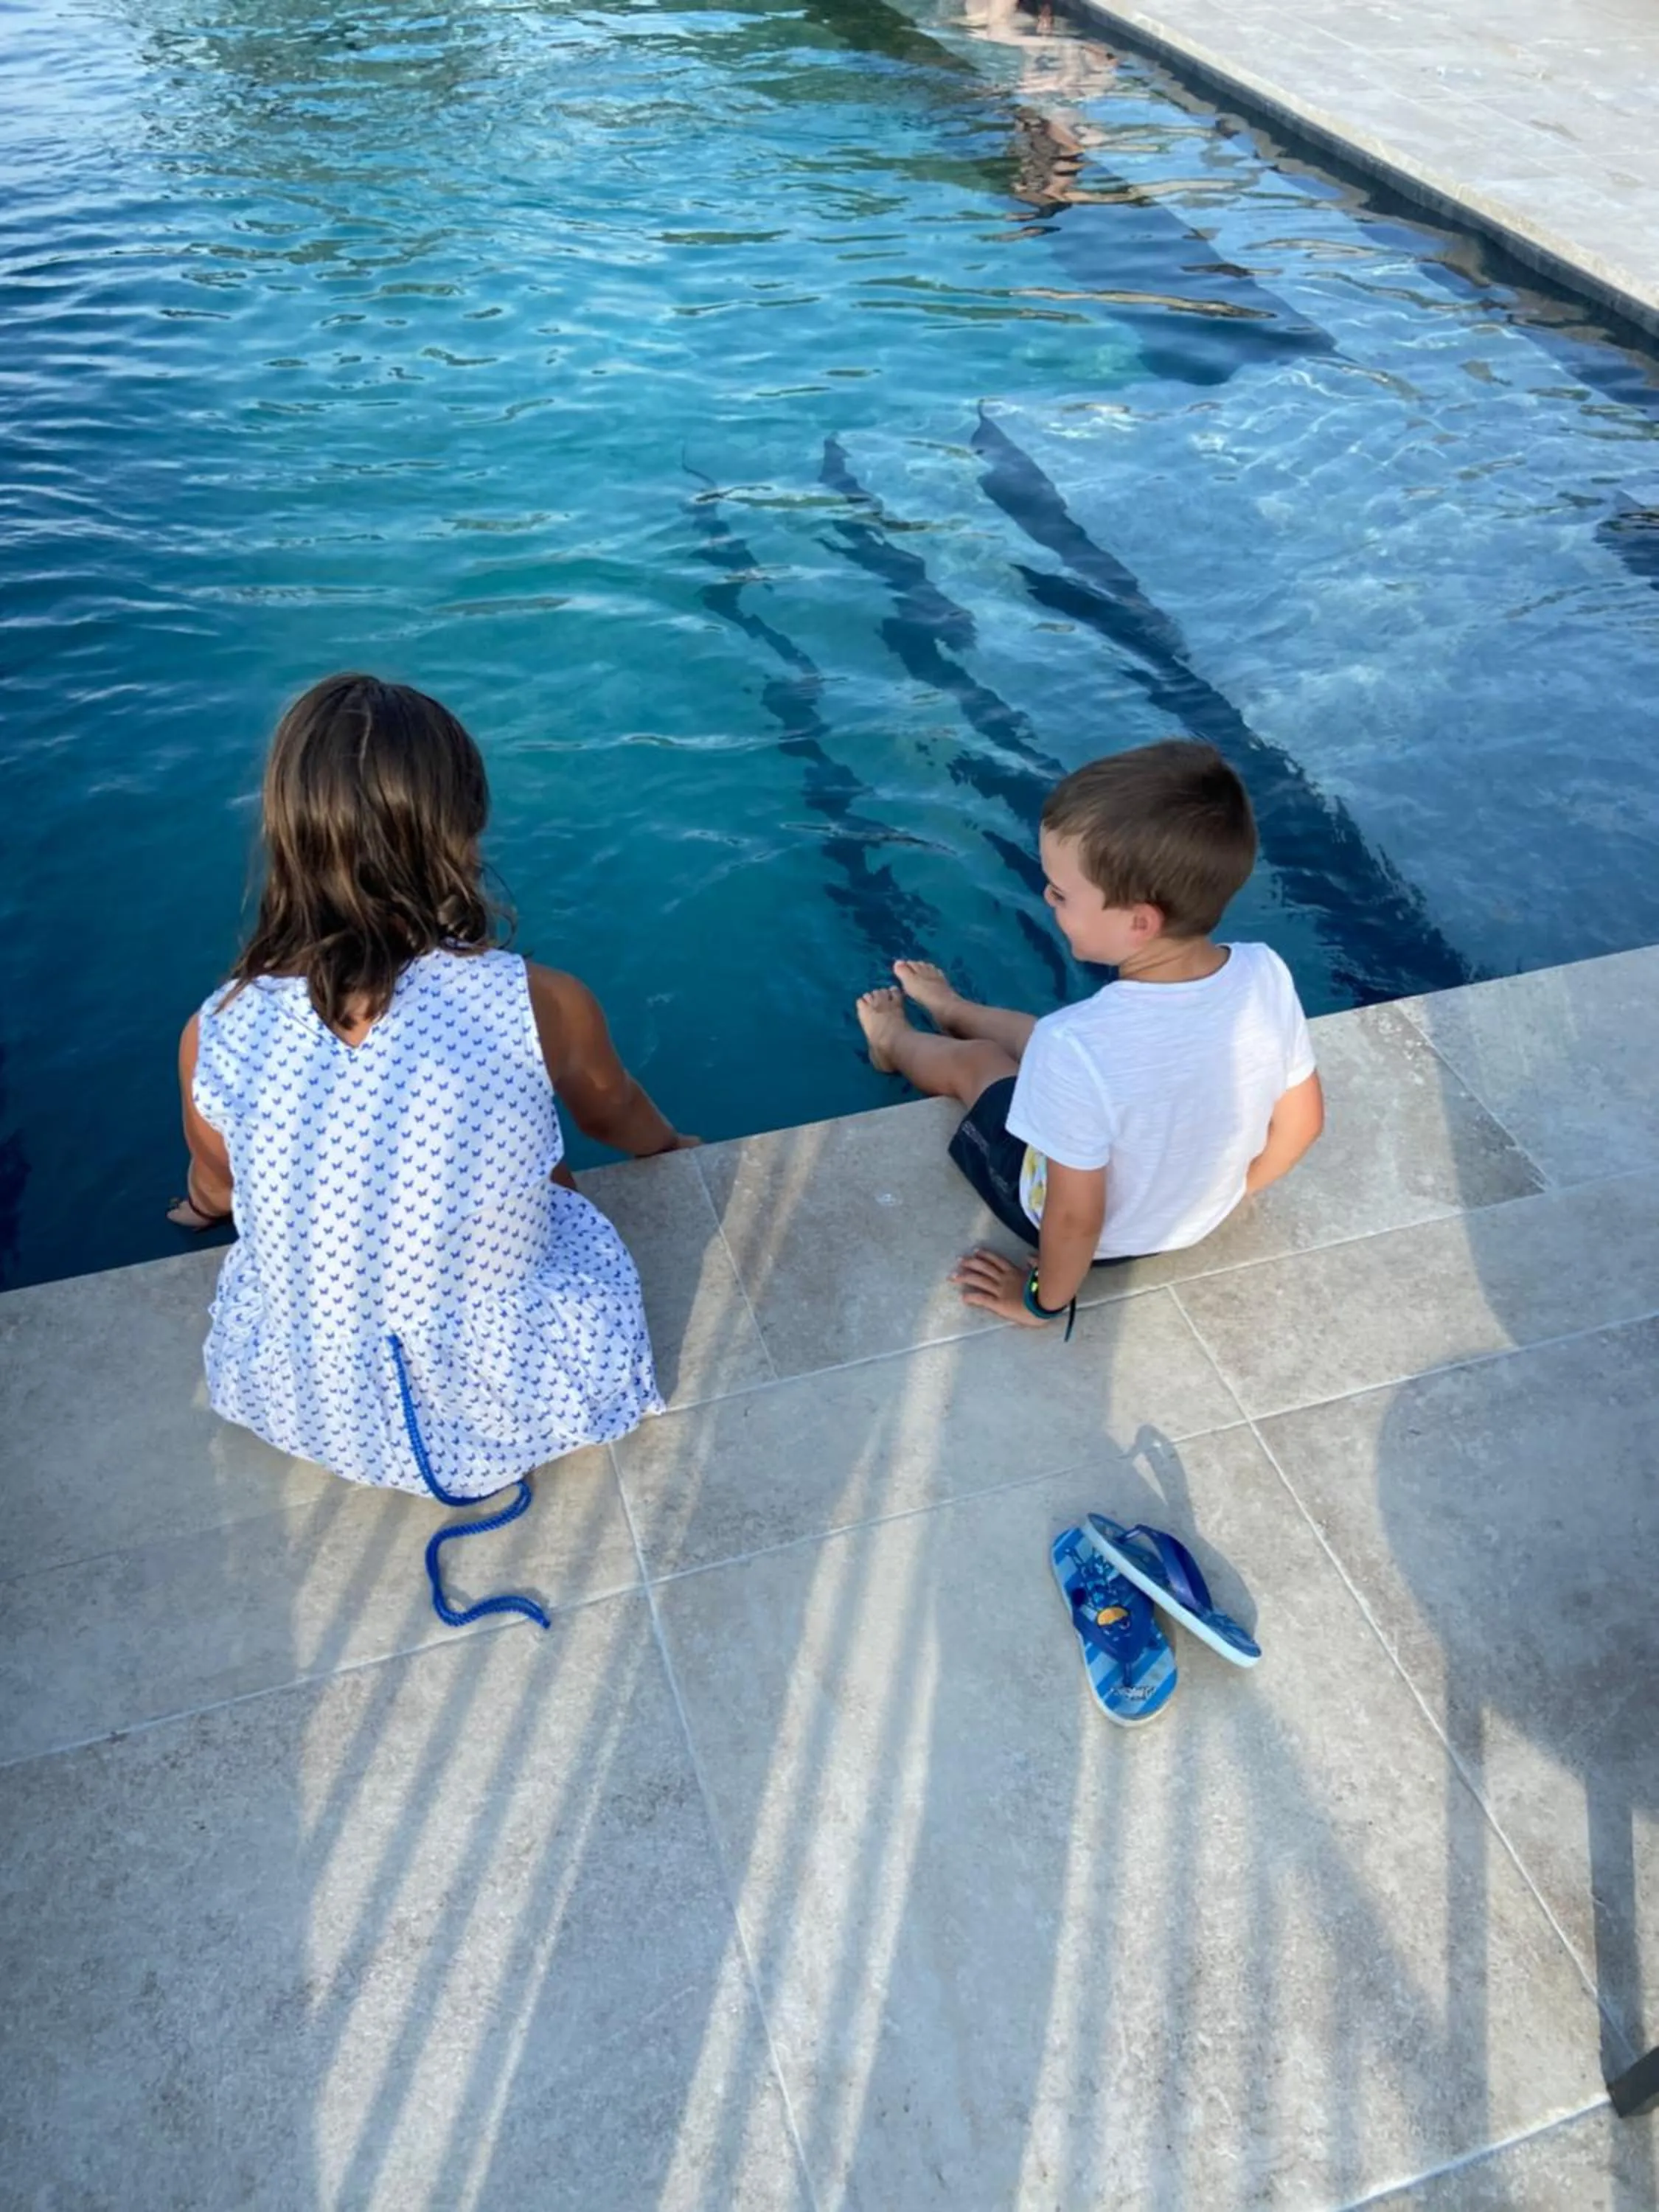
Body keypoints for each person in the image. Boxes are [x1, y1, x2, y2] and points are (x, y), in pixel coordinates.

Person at [169, 672, 695, 1500]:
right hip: (518, 1398)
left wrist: (201, 1205)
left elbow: (222, 1179)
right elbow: (614, 1111)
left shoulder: (218, 1029)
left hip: (308, 1402)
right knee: (547, 1170)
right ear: (462, 832)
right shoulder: (540, 1001)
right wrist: (667, 1146)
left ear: (286, 836)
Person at [855, 739, 1324, 1330]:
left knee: (979, 1065)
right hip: (1199, 1217)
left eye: (1060, 893)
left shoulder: (1076, 1045)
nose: (1047, 900)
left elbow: (1076, 1218)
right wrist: (1222, 1197)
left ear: (1138, 922)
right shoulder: (1265, 972)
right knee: (1040, 1038)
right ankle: (952, 1007)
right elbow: (1305, 1123)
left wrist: (1040, 1301)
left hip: (1098, 1238)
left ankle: (892, 1044)